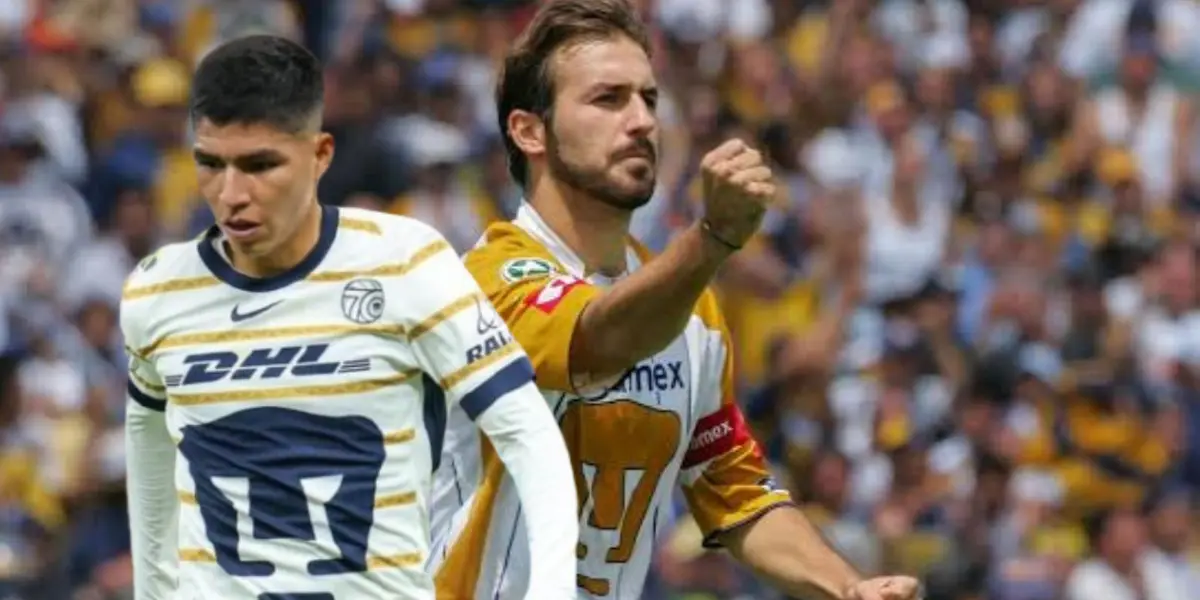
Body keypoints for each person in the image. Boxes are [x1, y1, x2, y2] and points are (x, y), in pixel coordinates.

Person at [428, 1, 923, 600]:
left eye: (649, 99)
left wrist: (848, 588)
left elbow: (733, 492)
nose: (640, 121)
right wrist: (712, 239)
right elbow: (599, 342)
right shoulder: (487, 279)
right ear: (530, 130)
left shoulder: (692, 311)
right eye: (608, 99)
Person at [119, 35, 578, 600]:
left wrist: (552, 590)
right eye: (211, 164)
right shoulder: (158, 290)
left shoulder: (406, 262)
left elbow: (530, 433)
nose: (231, 193)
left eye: (260, 164)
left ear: (320, 155)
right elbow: (146, 442)